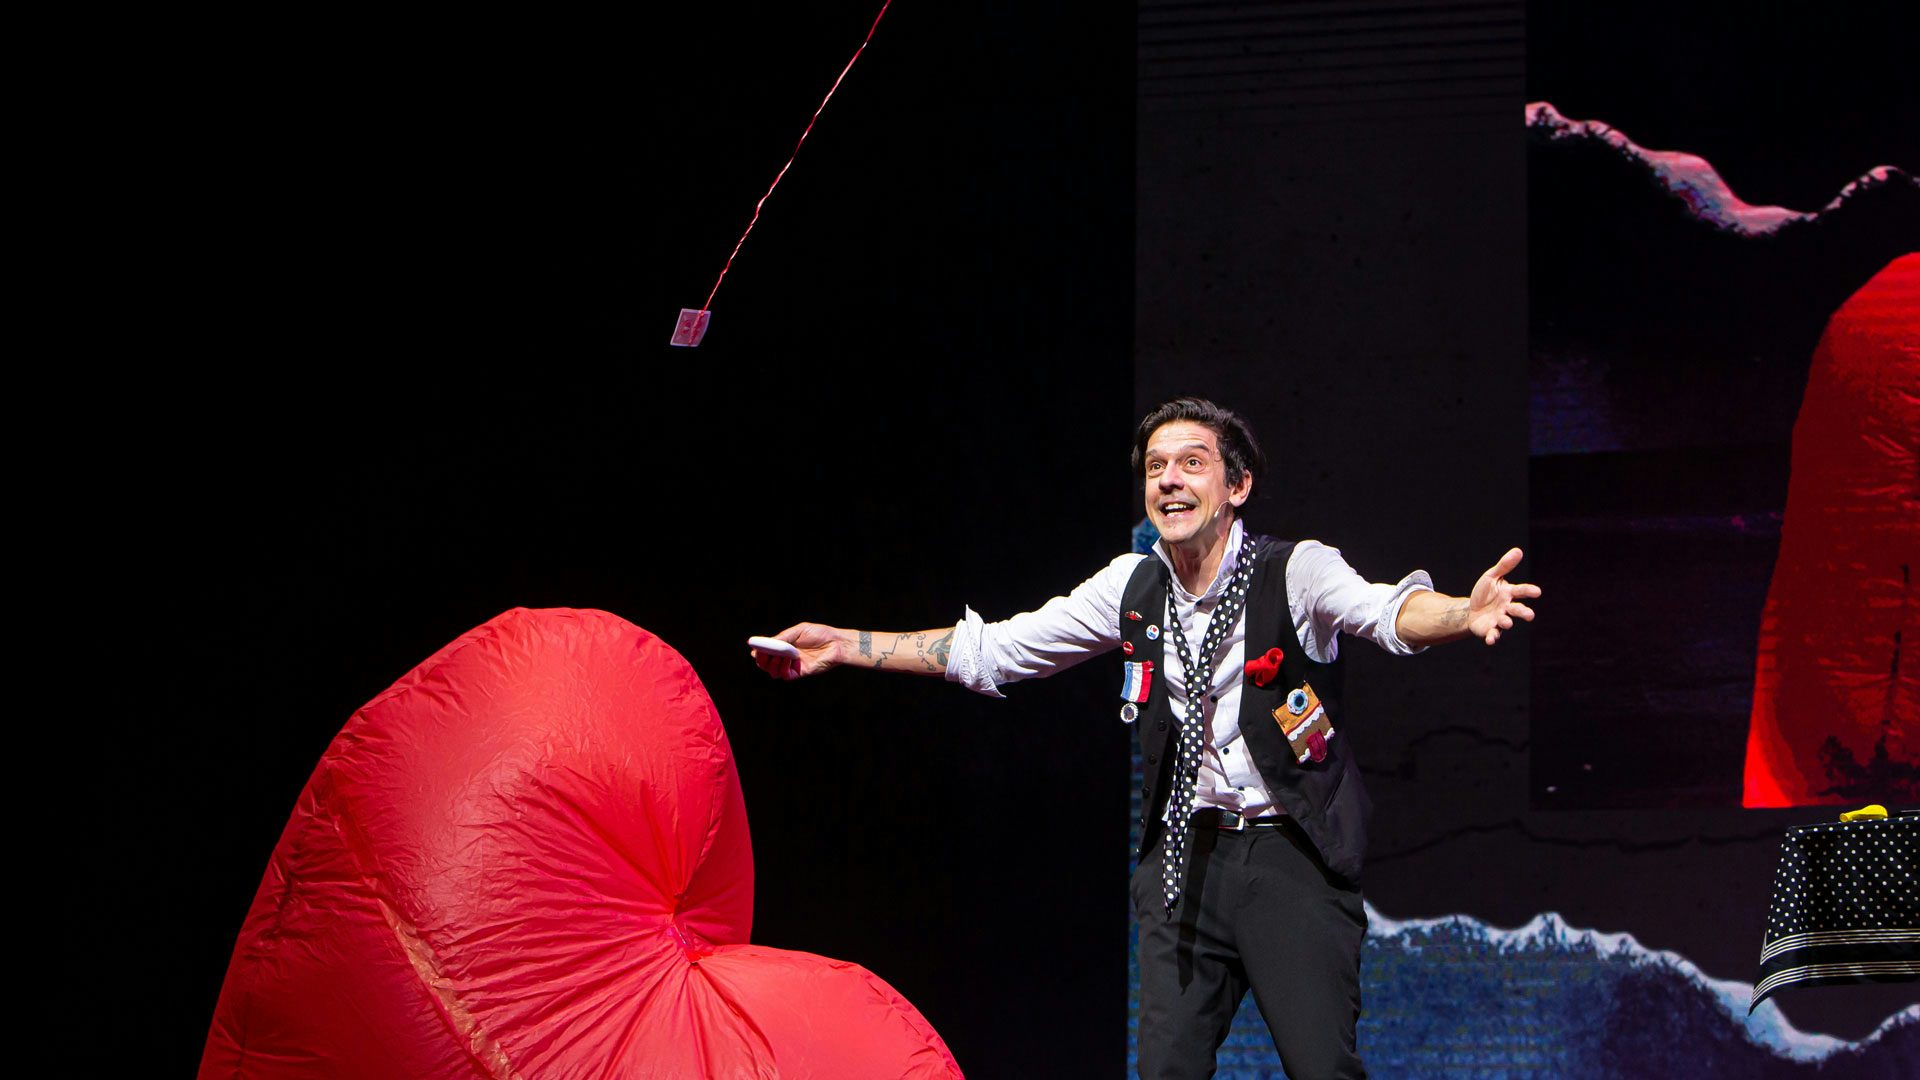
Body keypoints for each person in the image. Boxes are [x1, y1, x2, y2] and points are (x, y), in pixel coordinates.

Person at [752, 397, 1539, 1079]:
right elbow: (996, 650)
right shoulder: (1129, 588)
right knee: (1165, 1069)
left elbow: (1384, 612)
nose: (1169, 479)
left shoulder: (1295, 571)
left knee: (1321, 1066)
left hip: (1288, 853)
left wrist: (1461, 615)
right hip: (1182, 862)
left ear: (1238, 486)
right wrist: (847, 645)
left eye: (1193, 463)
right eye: (1156, 466)